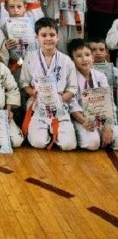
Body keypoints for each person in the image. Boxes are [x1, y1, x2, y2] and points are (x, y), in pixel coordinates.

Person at [19, 18, 77, 151]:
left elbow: (72, 88)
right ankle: (48, 133)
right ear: (36, 38)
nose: (48, 38)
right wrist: (33, 92)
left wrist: (61, 98)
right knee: (38, 143)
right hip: (38, 106)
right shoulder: (30, 58)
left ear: (58, 37)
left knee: (68, 145)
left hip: (59, 106)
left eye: (52, 35)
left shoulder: (66, 60)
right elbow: (24, 83)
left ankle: (57, 132)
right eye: (43, 35)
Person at [67, 39, 118, 150]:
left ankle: (103, 136)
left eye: (87, 55)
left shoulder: (100, 76)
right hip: (82, 119)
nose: (84, 59)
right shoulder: (70, 78)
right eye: (79, 56)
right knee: (92, 143)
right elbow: (72, 106)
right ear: (72, 60)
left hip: (101, 117)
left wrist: (107, 126)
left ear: (92, 57)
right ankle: (96, 137)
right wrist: (85, 122)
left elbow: (108, 103)